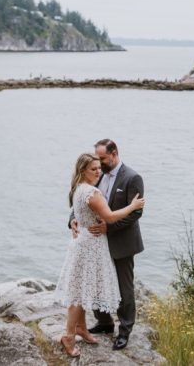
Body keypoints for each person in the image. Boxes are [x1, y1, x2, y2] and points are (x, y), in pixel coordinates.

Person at [55, 153, 144, 357]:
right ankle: (68, 336)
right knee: (79, 293)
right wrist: (132, 206)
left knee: (84, 288)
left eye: (99, 167)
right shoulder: (92, 192)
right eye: (93, 169)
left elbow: (80, 210)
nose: (98, 171)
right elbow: (110, 217)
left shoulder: (78, 188)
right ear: (82, 171)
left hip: (86, 242)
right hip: (90, 246)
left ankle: (81, 328)